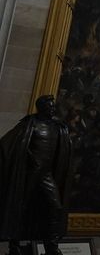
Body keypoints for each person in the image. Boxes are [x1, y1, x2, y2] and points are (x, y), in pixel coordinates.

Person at [0, 96, 74, 255]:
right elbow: (7, 144)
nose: (53, 110)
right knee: (20, 207)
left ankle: (51, 246)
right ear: (41, 108)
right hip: (29, 174)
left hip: (46, 175)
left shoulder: (58, 127)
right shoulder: (28, 125)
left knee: (56, 207)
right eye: (50, 107)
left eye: (53, 107)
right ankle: (15, 245)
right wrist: (24, 155)